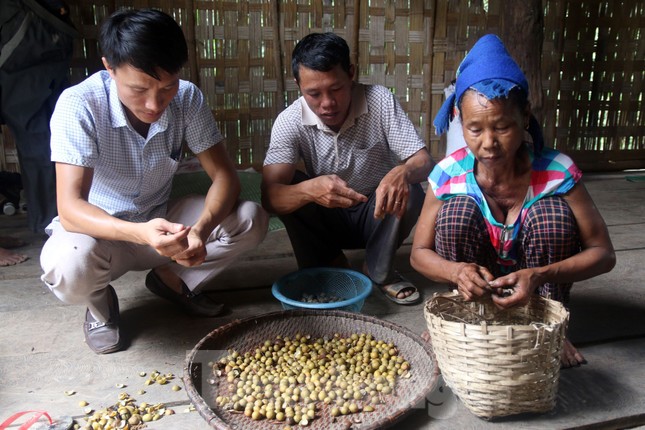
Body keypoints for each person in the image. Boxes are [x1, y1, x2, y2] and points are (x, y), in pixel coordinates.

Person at [40, 9, 269, 354]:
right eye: (138, 89)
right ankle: (100, 308)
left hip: (162, 220)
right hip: (101, 233)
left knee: (250, 218)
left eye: (167, 87)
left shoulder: (187, 98)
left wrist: (200, 231)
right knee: (68, 266)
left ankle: (172, 281)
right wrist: (140, 232)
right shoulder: (79, 106)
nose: (154, 103)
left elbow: (225, 176)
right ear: (109, 67)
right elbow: (70, 209)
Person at [410, 34, 616, 367]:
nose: (489, 142)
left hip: (538, 288)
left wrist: (540, 274)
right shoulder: (448, 175)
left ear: (524, 118)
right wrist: (455, 271)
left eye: (503, 126)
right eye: (474, 129)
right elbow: (419, 254)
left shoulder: (558, 172)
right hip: (477, 288)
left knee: (551, 216)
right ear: (461, 123)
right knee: (457, 213)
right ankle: (462, 316)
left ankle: (547, 327)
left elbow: (603, 254)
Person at [261, 33, 433, 305]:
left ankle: (378, 270)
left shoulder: (379, 100)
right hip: (328, 219)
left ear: (351, 74)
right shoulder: (289, 121)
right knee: (292, 187)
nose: (327, 103)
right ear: (298, 85)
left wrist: (402, 172)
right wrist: (309, 191)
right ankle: (332, 265)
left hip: (376, 214)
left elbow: (424, 160)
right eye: (313, 94)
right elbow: (269, 197)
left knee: (411, 190)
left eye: (336, 89)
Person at [0, 0, 78, 233]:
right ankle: (49, 225)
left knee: (53, 145)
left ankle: (54, 223)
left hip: (39, 44)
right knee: (40, 145)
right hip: (26, 49)